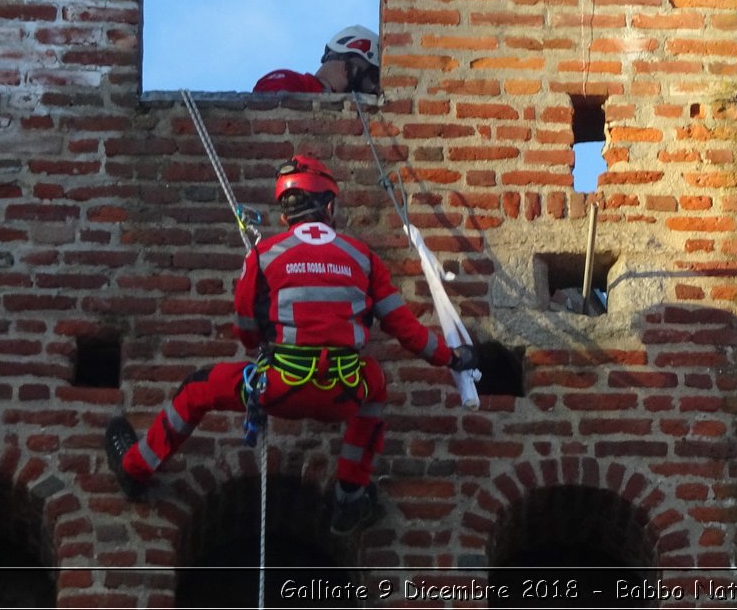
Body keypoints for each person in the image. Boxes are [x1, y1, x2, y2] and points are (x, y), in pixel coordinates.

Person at [104, 153, 476, 535]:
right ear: (330, 206)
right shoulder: (363, 257)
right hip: (343, 391)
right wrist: (452, 356)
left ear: (285, 215)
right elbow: (405, 327)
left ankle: (135, 468)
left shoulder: (262, 256)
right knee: (375, 382)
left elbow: (247, 334)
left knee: (198, 389)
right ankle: (350, 496)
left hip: (278, 390)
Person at [254, 25, 381, 95]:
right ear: (351, 69)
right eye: (373, 78)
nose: (374, 89)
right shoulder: (288, 80)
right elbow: (272, 112)